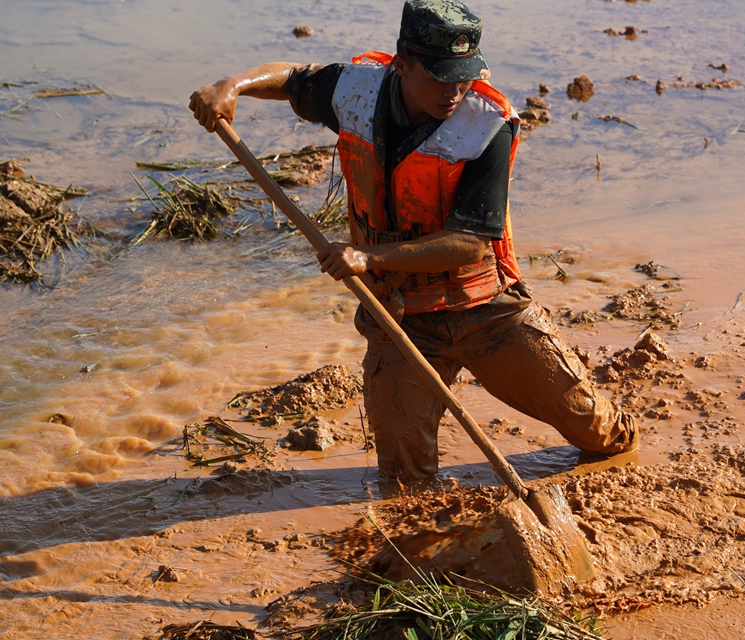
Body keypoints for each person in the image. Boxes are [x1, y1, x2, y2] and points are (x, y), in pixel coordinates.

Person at [190, 0, 637, 482]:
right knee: (403, 475)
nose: (454, 91)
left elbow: (469, 244)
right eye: (441, 78)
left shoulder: (487, 124)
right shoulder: (357, 91)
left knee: (595, 429)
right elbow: (295, 78)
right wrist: (233, 85)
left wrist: (368, 256)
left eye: (464, 77)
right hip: (399, 312)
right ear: (402, 65)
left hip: (484, 307)